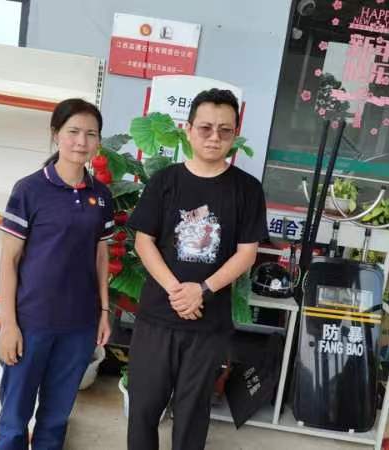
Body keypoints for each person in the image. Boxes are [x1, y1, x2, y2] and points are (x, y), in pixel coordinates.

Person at [127, 88, 269, 450]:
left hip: (208, 324)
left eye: (225, 130)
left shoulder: (247, 189)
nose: (214, 137)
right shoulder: (165, 181)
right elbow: (144, 242)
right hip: (158, 318)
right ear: (188, 130)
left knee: (193, 414)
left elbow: (246, 253)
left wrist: (201, 290)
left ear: (235, 134)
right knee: (143, 408)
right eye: (205, 128)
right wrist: (178, 292)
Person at [0, 98, 113, 450]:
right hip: (31, 323)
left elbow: (101, 256)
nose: (82, 141)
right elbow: (8, 261)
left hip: (78, 327)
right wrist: (9, 325)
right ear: (55, 134)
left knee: (56, 419)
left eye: (91, 134)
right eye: (73, 131)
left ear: (98, 140)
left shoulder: (101, 196)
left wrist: (103, 311)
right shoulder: (29, 190)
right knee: (14, 420)